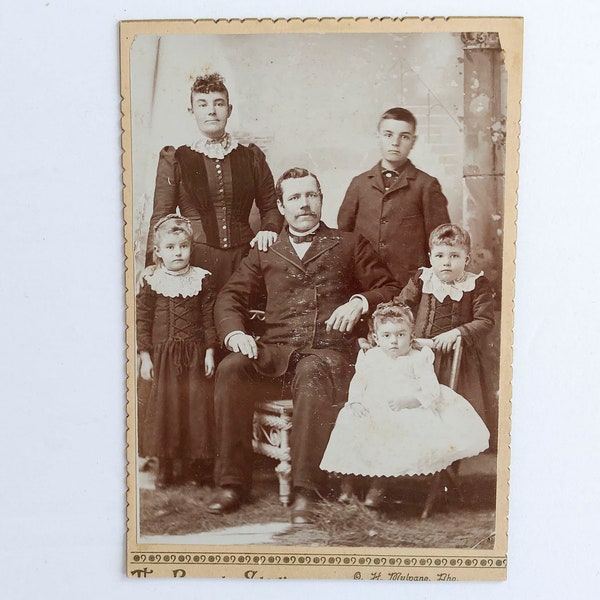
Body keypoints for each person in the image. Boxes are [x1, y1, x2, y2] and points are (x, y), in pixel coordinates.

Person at [208, 167, 402, 523]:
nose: (304, 204)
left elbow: (389, 287)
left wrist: (358, 301)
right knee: (231, 368)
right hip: (276, 353)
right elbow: (230, 297)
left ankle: (305, 490)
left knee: (313, 370)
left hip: (326, 353)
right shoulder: (266, 251)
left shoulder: (348, 243)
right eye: (295, 198)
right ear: (281, 206)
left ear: (321, 200)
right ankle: (233, 484)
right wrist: (235, 334)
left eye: (310, 195)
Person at [319, 300, 490, 507]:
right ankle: (348, 485)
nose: (394, 341)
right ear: (376, 338)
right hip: (372, 407)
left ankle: (378, 487)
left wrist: (411, 400)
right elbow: (359, 381)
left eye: (400, 335)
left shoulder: (418, 358)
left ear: (411, 337)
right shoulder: (370, 357)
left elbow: (431, 390)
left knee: (389, 430)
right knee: (350, 422)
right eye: (387, 336)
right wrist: (355, 402)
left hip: (409, 409)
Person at [146, 72, 283, 293]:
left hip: (245, 260)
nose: (211, 110)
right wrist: (153, 265)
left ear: (229, 110)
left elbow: (270, 208)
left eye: (219, 104)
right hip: (194, 262)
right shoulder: (176, 159)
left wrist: (269, 229)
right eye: (203, 104)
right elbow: (162, 216)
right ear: (192, 111)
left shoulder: (251, 157)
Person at [137, 214, 218, 487]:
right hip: (163, 360)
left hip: (194, 356)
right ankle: (166, 467)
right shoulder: (152, 282)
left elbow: (209, 319)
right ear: (158, 252)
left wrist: (209, 352)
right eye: (170, 248)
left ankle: (197, 468)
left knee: (195, 409)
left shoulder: (202, 280)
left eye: (182, 246)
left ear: (190, 248)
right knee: (165, 410)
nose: (177, 253)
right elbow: (143, 321)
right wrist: (145, 356)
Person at [337, 107, 450, 287]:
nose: (395, 142)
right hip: (365, 282)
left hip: (409, 284)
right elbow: (344, 232)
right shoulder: (359, 184)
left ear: (413, 141)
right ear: (378, 137)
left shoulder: (426, 185)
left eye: (404, 136)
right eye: (388, 135)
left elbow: (441, 240)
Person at [398, 223, 496, 429]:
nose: (446, 263)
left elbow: (485, 321)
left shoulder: (477, 285)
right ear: (430, 257)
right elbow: (400, 308)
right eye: (440, 256)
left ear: (466, 259)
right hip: (422, 353)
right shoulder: (422, 279)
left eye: (454, 256)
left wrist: (456, 333)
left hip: (460, 358)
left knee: (456, 412)